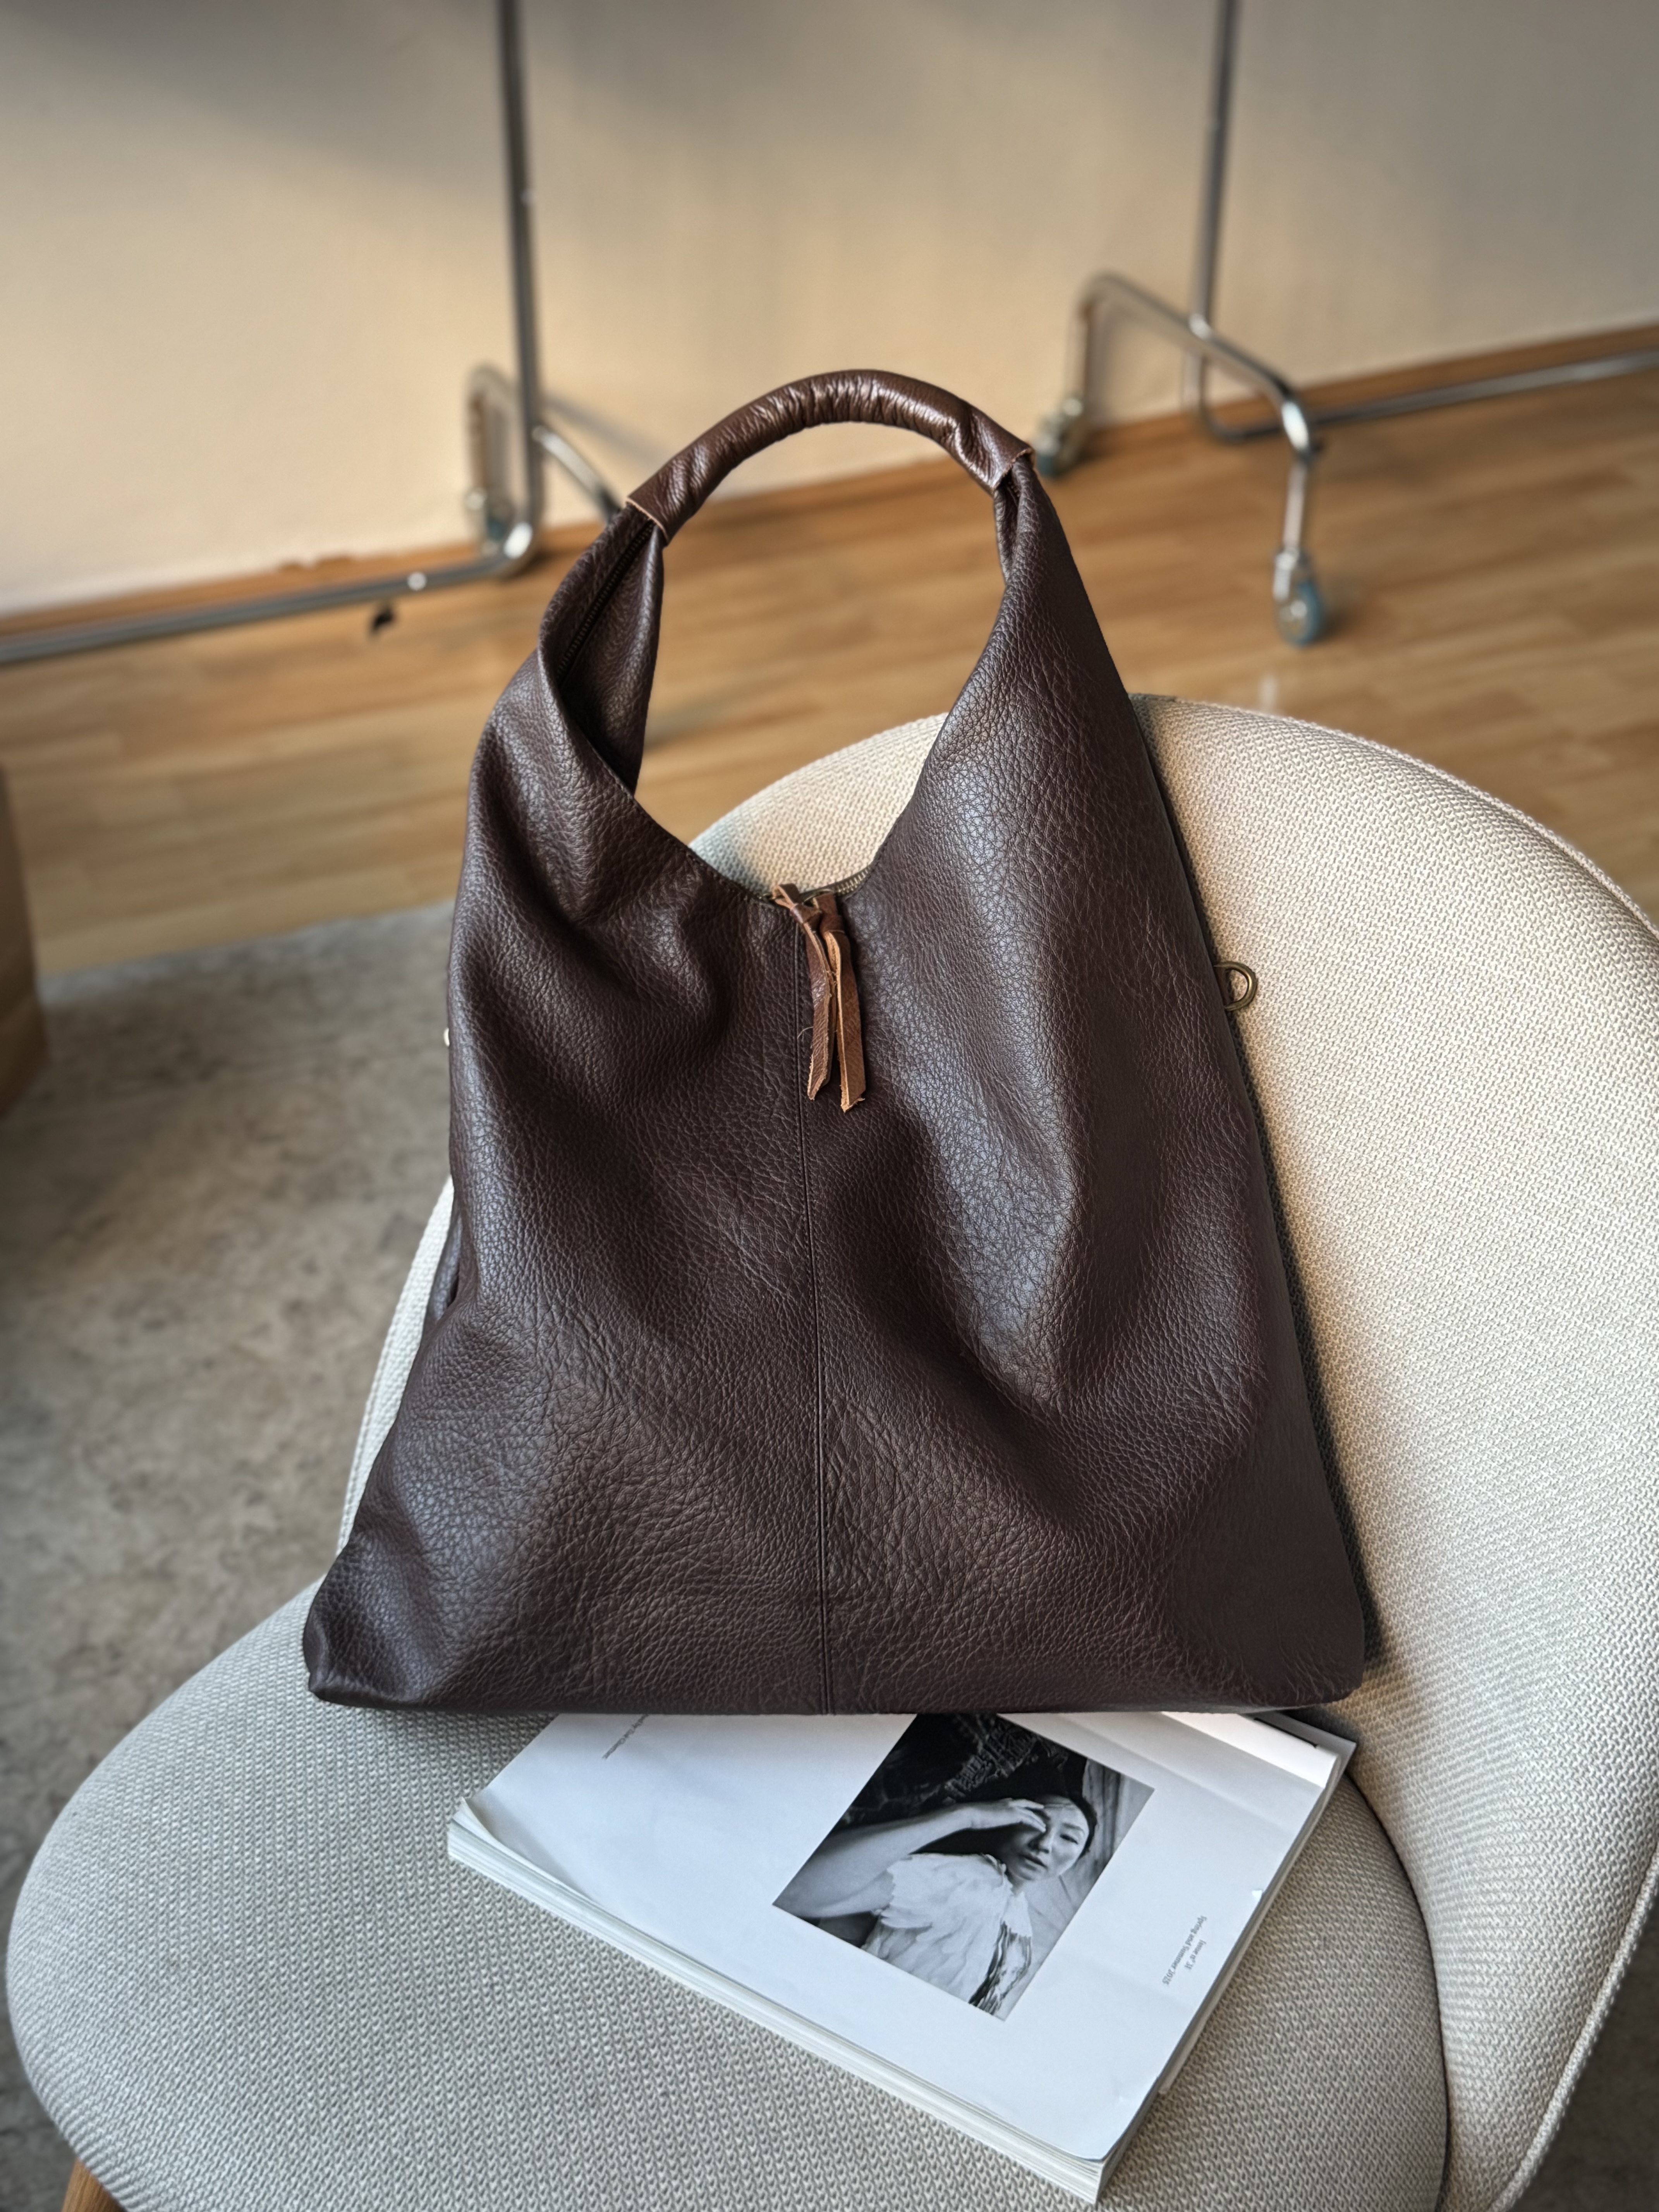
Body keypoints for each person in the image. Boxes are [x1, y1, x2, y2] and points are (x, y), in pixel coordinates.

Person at [775, 1794, 1093, 2017]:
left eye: (1069, 1838)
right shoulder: (967, 1879)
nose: (1045, 1844)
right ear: (1007, 1821)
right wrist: (966, 1816)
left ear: (1079, 1857)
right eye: (1034, 1822)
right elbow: (794, 1893)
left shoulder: (1020, 1919)